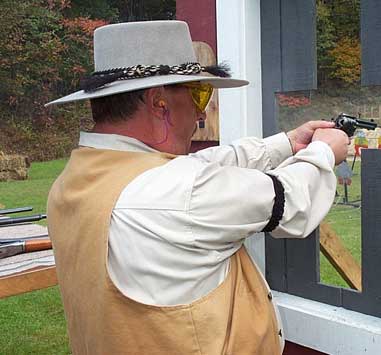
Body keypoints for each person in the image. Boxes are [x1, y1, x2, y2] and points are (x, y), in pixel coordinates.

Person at [46, 21, 349, 355]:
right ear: (159, 104)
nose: (202, 112)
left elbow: (206, 166)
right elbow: (291, 200)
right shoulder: (179, 192)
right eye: (198, 93)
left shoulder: (73, 181)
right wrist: (324, 151)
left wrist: (289, 142)